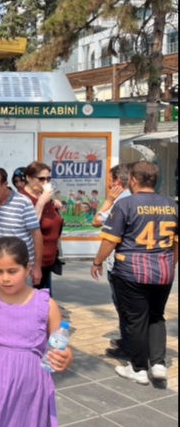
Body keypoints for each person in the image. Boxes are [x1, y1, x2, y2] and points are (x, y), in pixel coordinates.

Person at [0, 236, 73, 427]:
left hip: (30, 386)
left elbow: (60, 345)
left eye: (12, 271)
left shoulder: (46, 304)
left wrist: (66, 358)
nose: (5, 278)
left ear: (27, 268)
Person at [91, 161, 178, 385]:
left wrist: (97, 261)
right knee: (156, 316)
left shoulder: (125, 205)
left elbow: (110, 240)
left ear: (134, 180)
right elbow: (176, 243)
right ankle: (158, 364)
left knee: (136, 320)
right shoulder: (172, 205)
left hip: (132, 271)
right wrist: (171, 264)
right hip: (164, 270)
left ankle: (139, 368)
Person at [92, 164, 131, 359]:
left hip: (120, 265)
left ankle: (129, 346)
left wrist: (108, 200)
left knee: (124, 307)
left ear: (118, 181)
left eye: (110, 180)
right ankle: (129, 340)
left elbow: (96, 221)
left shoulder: (120, 202)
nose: (108, 183)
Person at [0, 167, 43, 286]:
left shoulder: (23, 202)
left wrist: (37, 267)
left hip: (20, 269)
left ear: (5, 184)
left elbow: (37, 235)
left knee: (22, 298)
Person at [20, 162, 64, 296]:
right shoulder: (23, 199)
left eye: (48, 179)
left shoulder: (45, 197)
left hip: (49, 259)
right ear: (28, 178)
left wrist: (55, 207)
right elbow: (30, 226)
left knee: (41, 298)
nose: (45, 182)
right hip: (34, 261)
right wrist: (41, 202)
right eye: (41, 179)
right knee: (29, 299)